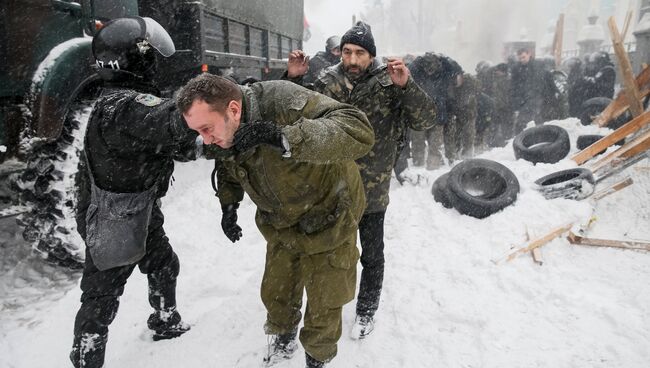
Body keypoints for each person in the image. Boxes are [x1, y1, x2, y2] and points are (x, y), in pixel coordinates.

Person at [177, 73, 374, 368]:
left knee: (325, 297)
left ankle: (317, 358)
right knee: (277, 286)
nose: (206, 140)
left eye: (206, 129)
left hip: (329, 212)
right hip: (280, 219)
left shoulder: (284, 100)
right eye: (198, 133)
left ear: (233, 109)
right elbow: (228, 159)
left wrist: (282, 136)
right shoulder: (225, 125)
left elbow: (359, 130)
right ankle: (282, 337)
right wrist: (229, 205)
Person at [285, 21, 438, 339]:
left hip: (371, 188)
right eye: (347, 52)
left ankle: (367, 309)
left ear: (372, 56)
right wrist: (293, 79)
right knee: (327, 252)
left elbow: (425, 120)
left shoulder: (390, 82)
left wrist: (407, 86)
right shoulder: (326, 82)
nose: (352, 60)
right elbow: (291, 117)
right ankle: (327, 305)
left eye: (360, 53)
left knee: (371, 254)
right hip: (330, 186)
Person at [70, 17, 199, 368]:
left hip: (136, 206)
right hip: (113, 216)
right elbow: (174, 126)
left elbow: (163, 139)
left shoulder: (114, 101)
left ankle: (164, 318)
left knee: (163, 262)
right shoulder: (127, 106)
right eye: (149, 54)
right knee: (102, 297)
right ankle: (87, 358)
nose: (156, 60)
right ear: (137, 59)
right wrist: (210, 119)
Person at [408, 52, 478, 167]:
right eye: (427, 68)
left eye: (432, 69)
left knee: (435, 145)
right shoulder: (418, 70)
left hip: (437, 112)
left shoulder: (445, 70)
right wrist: (418, 60)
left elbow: (457, 69)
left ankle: (433, 167)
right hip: (420, 112)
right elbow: (409, 70)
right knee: (418, 143)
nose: (429, 71)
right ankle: (418, 166)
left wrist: (444, 58)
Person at [510, 48, 557, 134]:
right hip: (524, 99)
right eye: (520, 58)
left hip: (538, 98)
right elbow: (514, 86)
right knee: (523, 122)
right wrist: (516, 99)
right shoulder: (517, 69)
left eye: (523, 57)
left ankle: (541, 136)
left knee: (538, 120)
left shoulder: (538, 66)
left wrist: (550, 94)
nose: (522, 60)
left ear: (529, 54)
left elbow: (547, 80)